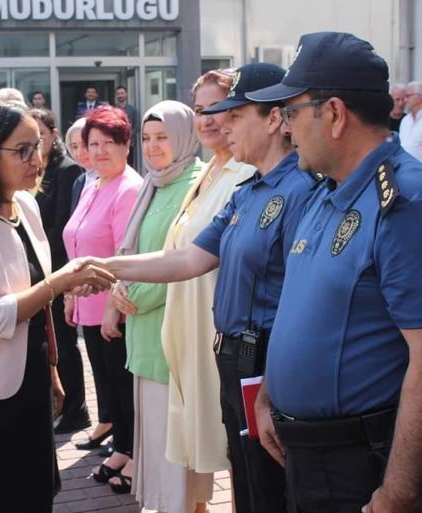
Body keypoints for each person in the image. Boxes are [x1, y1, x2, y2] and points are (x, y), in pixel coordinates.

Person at [244, 31, 422, 513]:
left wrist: (399, 491)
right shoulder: (329, 191)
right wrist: (270, 394)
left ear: (334, 114)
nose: (285, 128)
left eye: (291, 112)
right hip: (306, 453)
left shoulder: (407, 205)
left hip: (361, 465)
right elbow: (305, 307)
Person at [92, 62, 316, 513]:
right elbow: (189, 258)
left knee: (272, 488)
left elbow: (303, 300)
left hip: (268, 363)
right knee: (248, 481)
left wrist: (272, 382)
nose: (222, 126)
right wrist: (101, 266)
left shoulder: (301, 189)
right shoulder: (249, 189)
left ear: (274, 120)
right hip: (233, 359)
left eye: (234, 116)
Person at [0, 101, 115, 513]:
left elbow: (35, 300)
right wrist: (61, 282)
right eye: (23, 151)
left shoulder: (24, 204)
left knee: (35, 492)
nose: (38, 160)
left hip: (28, 375)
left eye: (40, 146)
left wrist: (50, 368)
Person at [161, 70, 256, 513]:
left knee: (234, 445)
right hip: (188, 319)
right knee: (201, 436)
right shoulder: (207, 169)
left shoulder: (246, 171)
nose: (210, 119)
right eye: (201, 110)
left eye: (222, 109)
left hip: (218, 322)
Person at [107, 100, 203, 506]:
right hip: (143, 331)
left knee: (176, 444)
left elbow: (189, 258)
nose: (153, 145)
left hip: (171, 327)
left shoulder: (196, 183)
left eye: (163, 136)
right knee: (155, 435)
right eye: (146, 138)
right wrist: (118, 287)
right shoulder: (156, 182)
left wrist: (135, 297)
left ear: (184, 136)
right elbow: (138, 249)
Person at [62, 107, 141, 468]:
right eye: (93, 144)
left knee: (122, 385)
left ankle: (128, 449)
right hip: (86, 305)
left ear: (126, 145)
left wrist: (113, 305)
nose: (100, 151)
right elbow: (77, 241)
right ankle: (121, 443)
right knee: (106, 382)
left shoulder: (128, 189)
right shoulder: (92, 185)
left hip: (114, 306)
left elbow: (127, 252)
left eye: (109, 143)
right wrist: (68, 293)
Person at [29, 108, 91, 434]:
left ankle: (77, 409)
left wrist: (43, 262)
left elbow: (61, 224)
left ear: (53, 134)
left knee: (65, 344)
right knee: (52, 343)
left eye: (40, 133)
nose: (35, 140)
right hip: (40, 274)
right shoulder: (32, 170)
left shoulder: (65, 171)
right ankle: (62, 404)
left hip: (57, 268)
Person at [65, 117, 95, 212]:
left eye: (84, 145)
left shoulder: (109, 179)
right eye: (74, 147)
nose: (79, 152)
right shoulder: (79, 181)